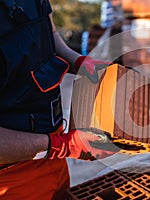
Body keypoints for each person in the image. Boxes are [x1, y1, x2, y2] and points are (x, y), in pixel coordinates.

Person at [0, 0, 115, 199]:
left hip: (52, 154)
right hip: (11, 179)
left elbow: (47, 32)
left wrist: (78, 61)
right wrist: (61, 145)